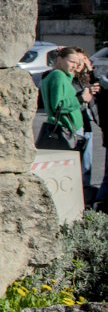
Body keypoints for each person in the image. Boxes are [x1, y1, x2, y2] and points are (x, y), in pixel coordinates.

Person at [39, 46, 95, 202]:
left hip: (67, 128)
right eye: (72, 62)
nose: (75, 66)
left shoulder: (59, 75)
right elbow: (58, 105)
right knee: (70, 172)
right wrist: (80, 99)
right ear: (59, 60)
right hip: (66, 129)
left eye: (77, 63)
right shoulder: (58, 76)